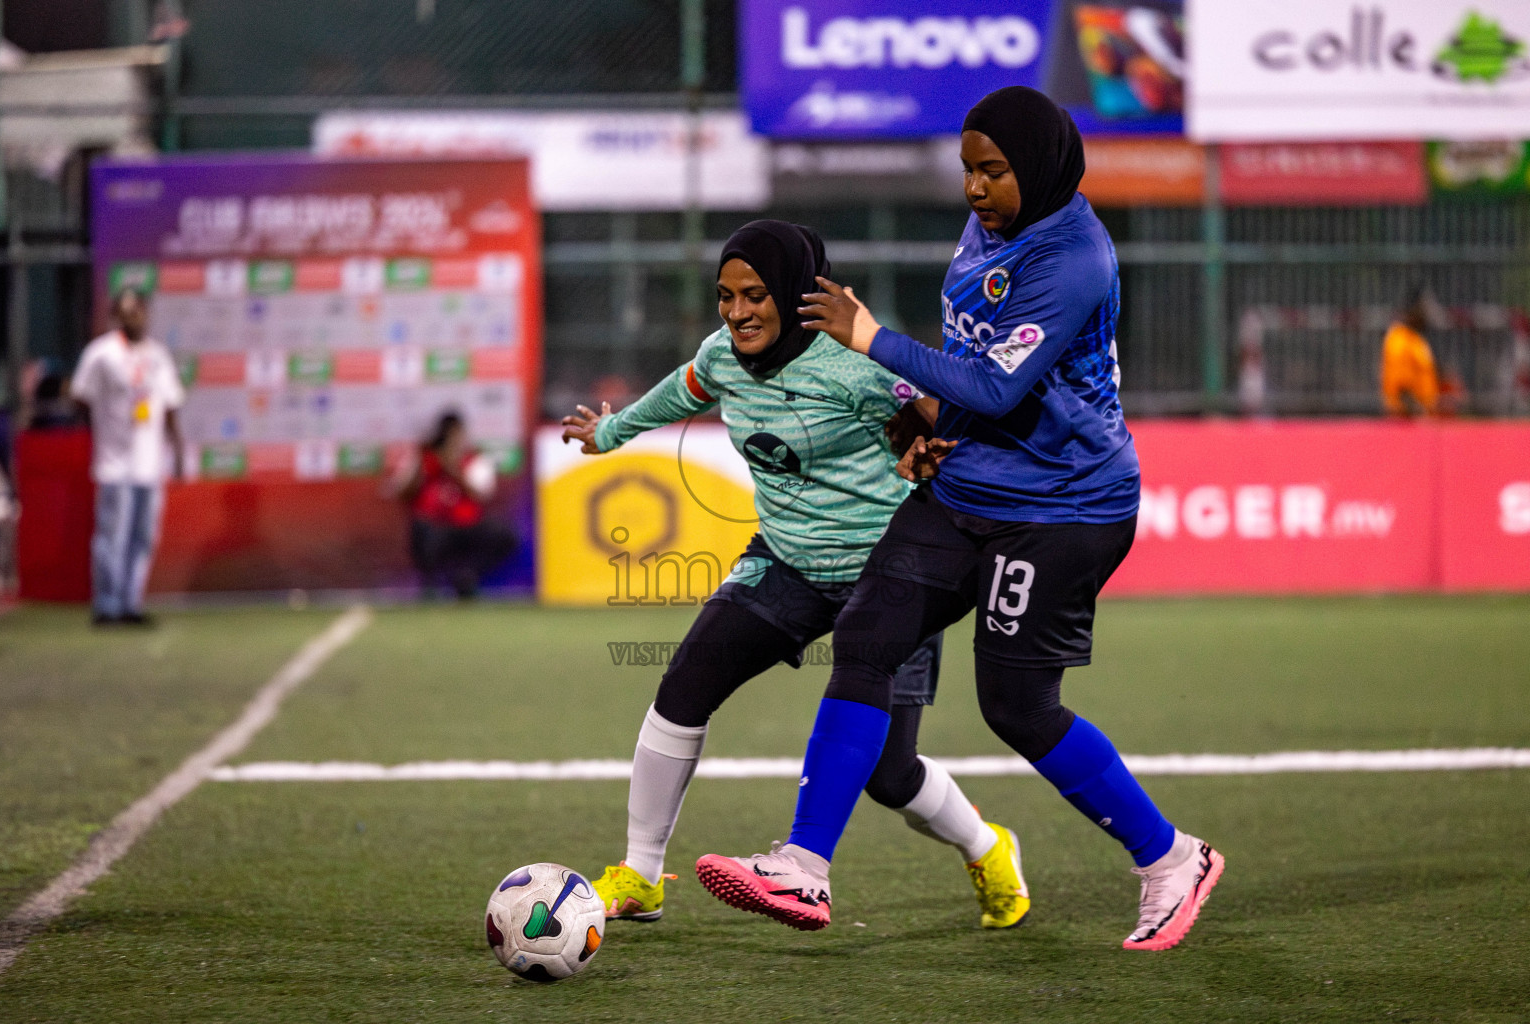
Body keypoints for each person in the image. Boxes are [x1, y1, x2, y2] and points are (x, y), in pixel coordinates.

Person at [696, 88, 1223, 952]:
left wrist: (873, 340)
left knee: (1016, 705)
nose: (975, 188)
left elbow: (997, 385)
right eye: (968, 168)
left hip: (1063, 509)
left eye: (994, 170)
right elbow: (972, 368)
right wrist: (922, 424)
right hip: (970, 486)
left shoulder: (1074, 258)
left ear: (1042, 167)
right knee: (866, 635)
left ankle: (1171, 859)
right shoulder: (993, 229)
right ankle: (802, 868)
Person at [560, 220, 1030, 931]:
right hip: (784, 564)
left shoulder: (855, 363)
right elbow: (681, 390)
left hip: (890, 574)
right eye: (725, 296)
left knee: (889, 774)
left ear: (792, 293)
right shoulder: (721, 357)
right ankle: (641, 875)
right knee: (685, 683)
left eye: (755, 295)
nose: (738, 312)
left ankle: (987, 845)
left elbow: (939, 418)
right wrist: (611, 431)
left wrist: (931, 443)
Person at [69, 288, 184, 627]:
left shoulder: (158, 356)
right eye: (126, 311)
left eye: (139, 311)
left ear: (147, 314)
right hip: (114, 462)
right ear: (116, 316)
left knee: (143, 536)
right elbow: (80, 397)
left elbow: (171, 405)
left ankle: (131, 602)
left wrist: (176, 450)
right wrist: (103, 428)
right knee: (112, 536)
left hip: (149, 461)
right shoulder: (101, 354)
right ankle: (107, 605)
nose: (134, 317)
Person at [393, 411, 517, 599]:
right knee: (420, 529)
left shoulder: (473, 459)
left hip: (468, 526)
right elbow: (404, 494)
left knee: (504, 535)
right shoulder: (424, 459)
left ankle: (468, 576)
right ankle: (430, 583)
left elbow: (479, 495)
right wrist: (422, 461)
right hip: (437, 526)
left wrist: (452, 469)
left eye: (457, 434)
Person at [1381, 287, 1440, 417]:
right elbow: (1401, 387)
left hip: (1419, 419)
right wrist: (1418, 414)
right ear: (1415, 309)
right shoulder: (1400, 338)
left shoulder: (1415, 339)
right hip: (1406, 421)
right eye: (1425, 307)